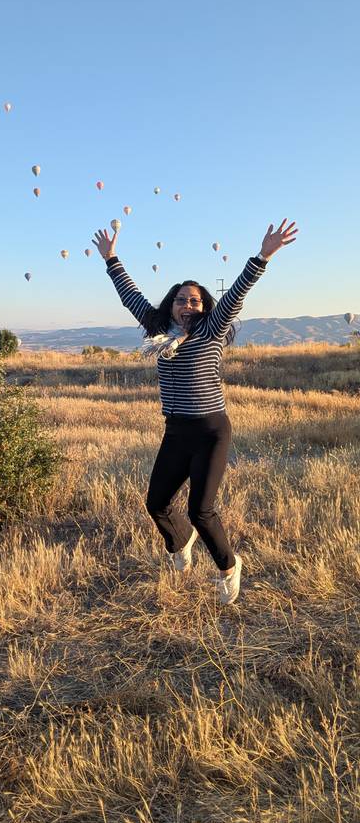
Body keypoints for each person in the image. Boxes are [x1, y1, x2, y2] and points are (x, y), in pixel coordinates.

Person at [92, 220, 298, 604]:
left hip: (210, 431)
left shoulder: (210, 330)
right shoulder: (158, 334)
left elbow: (237, 293)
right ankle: (180, 539)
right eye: (181, 299)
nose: (188, 304)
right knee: (156, 503)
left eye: (195, 300)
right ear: (170, 304)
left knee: (201, 510)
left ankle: (228, 566)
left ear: (204, 307)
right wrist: (111, 259)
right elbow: (130, 295)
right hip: (176, 431)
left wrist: (263, 256)